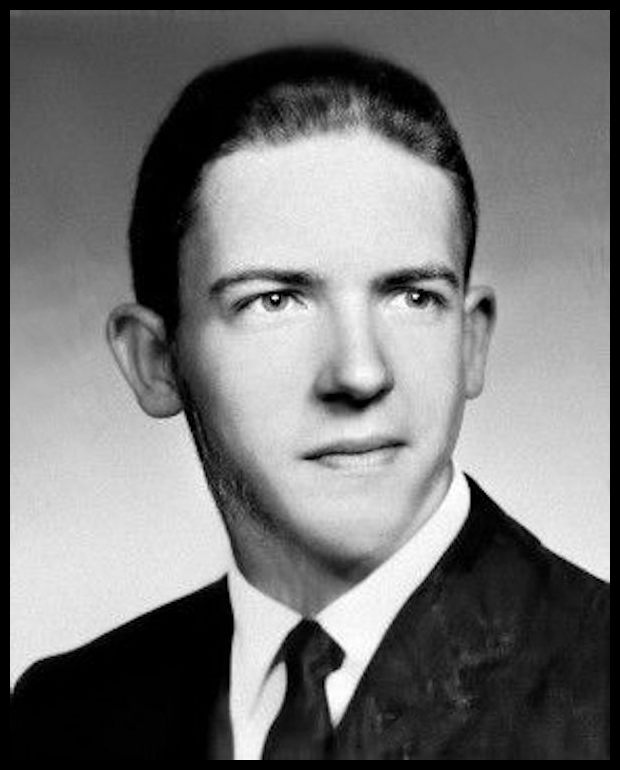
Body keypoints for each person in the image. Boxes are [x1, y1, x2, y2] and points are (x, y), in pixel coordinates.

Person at [10, 44, 609, 760]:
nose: (359, 373)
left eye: (413, 296)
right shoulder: (64, 716)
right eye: (274, 300)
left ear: (470, 341)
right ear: (155, 361)